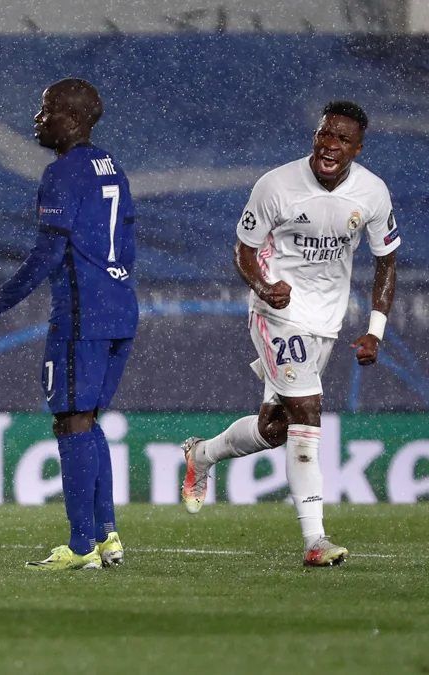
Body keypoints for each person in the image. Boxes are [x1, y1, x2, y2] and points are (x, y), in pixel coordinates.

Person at [180, 101, 397, 567]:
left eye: (342, 139)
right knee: (308, 409)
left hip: (326, 321)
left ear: (358, 148)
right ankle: (315, 540)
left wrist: (375, 330)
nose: (329, 145)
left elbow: (386, 262)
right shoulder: (276, 186)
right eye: (324, 134)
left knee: (274, 429)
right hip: (276, 313)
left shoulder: (373, 194)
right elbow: (243, 250)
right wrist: (263, 287)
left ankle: (202, 455)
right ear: (315, 136)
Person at [0, 78, 136, 571]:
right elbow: (128, 245)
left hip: (82, 315)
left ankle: (80, 548)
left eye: (47, 110)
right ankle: (106, 536)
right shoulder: (111, 166)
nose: (38, 119)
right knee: (87, 420)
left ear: (73, 119)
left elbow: (46, 254)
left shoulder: (63, 172)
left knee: (70, 421)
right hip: (121, 307)